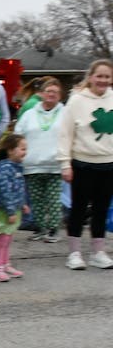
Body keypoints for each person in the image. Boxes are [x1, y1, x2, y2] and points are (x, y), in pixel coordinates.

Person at [57, 58, 113, 270]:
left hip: (108, 163)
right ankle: (74, 252)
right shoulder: (77, 101)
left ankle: (98, 252)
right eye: (99, 76)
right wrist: (65, 163)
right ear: (91, 77)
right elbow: (65, 134)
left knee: (101, 208)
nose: (103, 80)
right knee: (79, 209)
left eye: (107, 77)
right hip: (82, 163)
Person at [14, 76, 66, 243]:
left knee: (53, 199)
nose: (51, 94)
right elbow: (18, 134)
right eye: (48, 91)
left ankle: (53, 229)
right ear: (41, 94)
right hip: (32, 164)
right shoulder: (29, 114)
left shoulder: (66, 113)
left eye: (55, 92)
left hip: (55, 164)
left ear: (60, 96)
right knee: (36, 200)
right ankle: (40, 228)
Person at [0, 134, 30, 281]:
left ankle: (5, 264)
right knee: (2, 239)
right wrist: (11, 211)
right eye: (22, 149)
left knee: (8, 238)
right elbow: (5, 192)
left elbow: (19, 188)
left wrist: (22, 203)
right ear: (10, 150)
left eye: (26, 149)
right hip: (3, 209)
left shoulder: (16, 167)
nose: (25, 152)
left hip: (13, 208)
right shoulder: (4, 169)